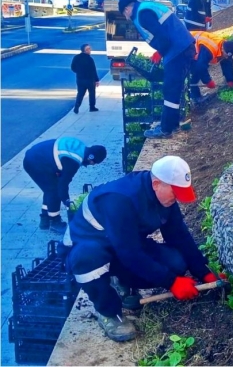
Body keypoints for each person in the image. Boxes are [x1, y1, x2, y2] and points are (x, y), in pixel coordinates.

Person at [63, 155, 222, 342]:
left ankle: (119, 277)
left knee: (177, 263)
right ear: (156, 184)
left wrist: (203, 272)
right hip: (87, 246)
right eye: (175, 192)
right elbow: (129, 252)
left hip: (124, 243)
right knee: (87, 258)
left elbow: (179, 236)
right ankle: (108, 312)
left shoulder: (165, 198)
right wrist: (171, 282)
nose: (177, 198)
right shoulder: (120, 200)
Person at [118, 0, 195, 139]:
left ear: (127, 9)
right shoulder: (146, 7)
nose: (127, 18)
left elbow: (163, 37)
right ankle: (172, 124)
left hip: (177, 51)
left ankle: (166, 129)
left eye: (124, 14)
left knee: (170, 88)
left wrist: (159, 52)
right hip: (183, 48)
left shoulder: (142, 15)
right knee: (173, 88)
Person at [23, 137, 107, 234]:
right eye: (93, 163)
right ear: (91, 158)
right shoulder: (74, 160)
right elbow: (63, 184)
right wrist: (67, 202)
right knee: (53, 191)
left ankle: (45, 220)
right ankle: (55, 221)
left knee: (49, 188)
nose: (91, 165)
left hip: (36, 156)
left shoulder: (81, 147)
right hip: (35, 162)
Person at [190, 31, 233, 103]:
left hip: (194, 45)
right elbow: (200, 66)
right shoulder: (210, 49)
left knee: (226, 60)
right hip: (184, 45)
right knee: (192, 76)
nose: (227, 57)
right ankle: (197, 98)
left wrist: (230, 80)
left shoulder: (225, 46)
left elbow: (227, 62)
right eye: (226, 55)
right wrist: (208, 81)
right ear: (222, 49)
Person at [71, 44, 100, 114]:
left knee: (80, 93)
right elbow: (93, 70)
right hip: (90, 80)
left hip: (80, 79)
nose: (90, 50)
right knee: (92, 93)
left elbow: (72, 67)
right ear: (86, 50)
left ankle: (76, 107)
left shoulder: (76, 57)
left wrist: (79, 72)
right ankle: (92, 107)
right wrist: (97, 80)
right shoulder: (90, 59)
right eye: (89, 49)